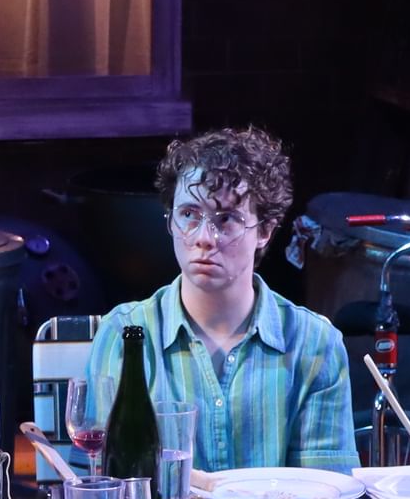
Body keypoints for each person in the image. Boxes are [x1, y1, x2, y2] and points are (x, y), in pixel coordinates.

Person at [84, 126, 358, 474]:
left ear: (265, 231)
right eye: (189, 215)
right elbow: (101, 484)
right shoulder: (125, 334)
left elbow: (325, 491)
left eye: (226, 219)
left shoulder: (313, 343)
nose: (204, 238)